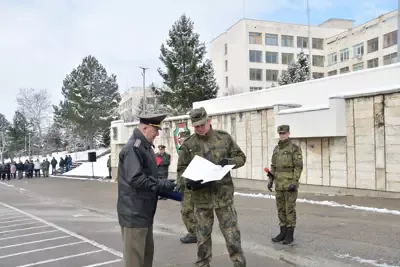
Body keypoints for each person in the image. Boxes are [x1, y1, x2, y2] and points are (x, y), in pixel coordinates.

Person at [177, 107, 247, 267]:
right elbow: (181, 170)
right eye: (196, 126)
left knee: (232, 235)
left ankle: (238, 263)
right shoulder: (189, 144)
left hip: (223, 196)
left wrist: (229, 162)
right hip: (201, 199)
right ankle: (203, 263)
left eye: (202, 124)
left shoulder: (224, 138)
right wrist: (188, 182)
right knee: (202, 237)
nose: (200, 129)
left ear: (209, 121)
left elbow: (241, 157)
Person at [117, 113, 177, 267]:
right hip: (134, 213)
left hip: (143, 212)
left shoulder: (144, 147)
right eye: (155, 130)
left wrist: (166, 185)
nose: (157, 134)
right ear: (144, 128)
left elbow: (149, 177)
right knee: (134, 261)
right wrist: (162, 185)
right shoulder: (133, 148)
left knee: (146, 257)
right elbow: (136, 179)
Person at [269, 125, 303, 245]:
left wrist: (294, 182)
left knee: (289, 209)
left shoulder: (294, 148)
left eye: (284, 133)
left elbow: (298, 167)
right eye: (280, 133)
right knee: (281, 209)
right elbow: (273, 166)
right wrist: (270, 179)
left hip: (289, 184)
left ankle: (290, 235)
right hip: (279, 184)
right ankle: (282, 233)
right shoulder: (276, 149)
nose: (282, 135)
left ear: (289, 133)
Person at [177, 130, 197, 244]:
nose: (181, 141)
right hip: (185, 183)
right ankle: (195, 232)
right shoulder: (185, 150)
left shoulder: (191, 151)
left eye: (182, 139)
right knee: (189, 209)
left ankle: (194, 233)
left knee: (187, 210)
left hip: (190, 184)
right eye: (180, 139)